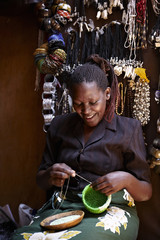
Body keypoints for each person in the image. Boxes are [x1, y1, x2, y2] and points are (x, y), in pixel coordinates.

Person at [12, 54, 152, 240]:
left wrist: (126, 179)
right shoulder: (59, 126)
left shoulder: (128, 129)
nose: (86, 111)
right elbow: (41, 181)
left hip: (110, 212)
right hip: (63, 209)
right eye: (78, 104)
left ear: (107, 94)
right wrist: (51, 174)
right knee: (20, 238)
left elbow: (146, 192)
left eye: (93, 102)